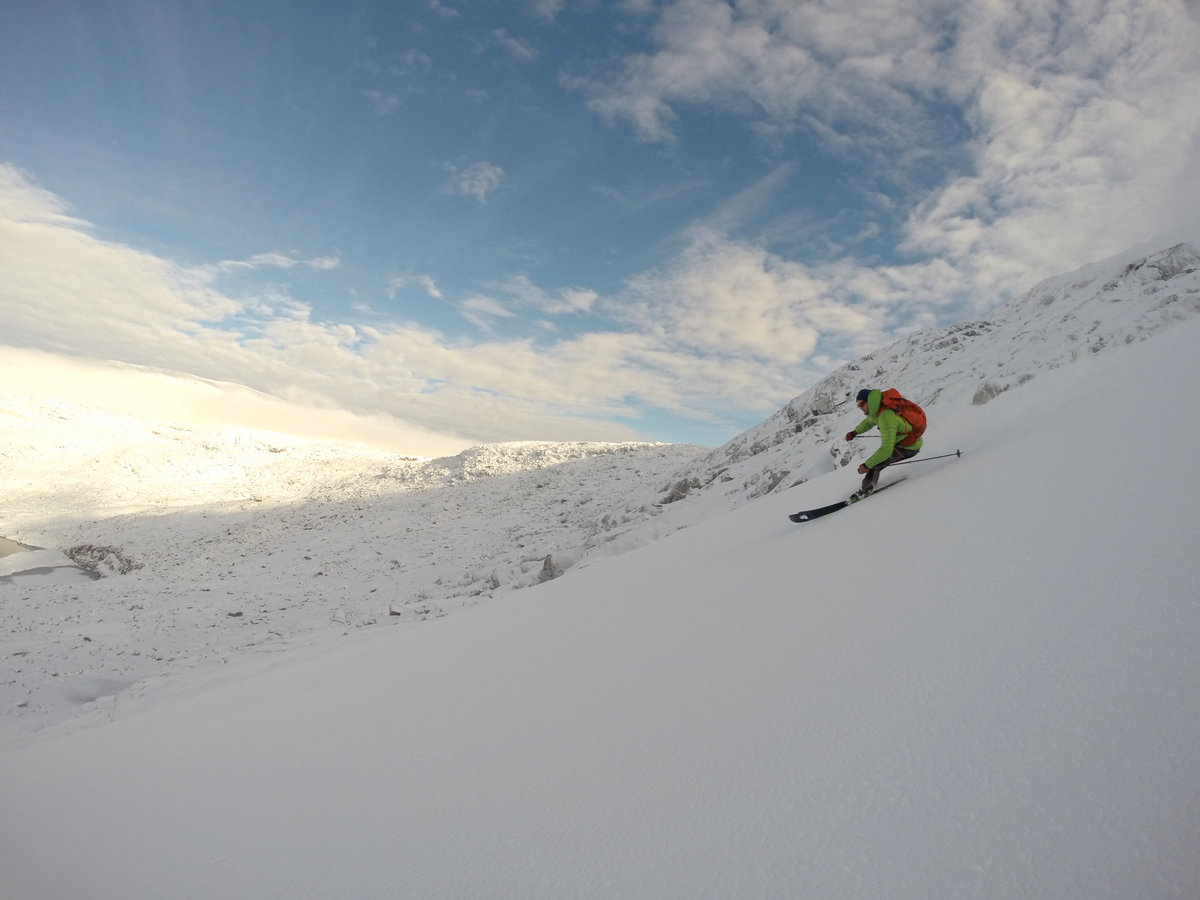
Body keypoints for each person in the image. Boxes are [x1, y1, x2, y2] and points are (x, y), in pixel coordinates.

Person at [844, 388, 922, 496]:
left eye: (861, 404)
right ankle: (868, 486)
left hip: (908, 447)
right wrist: (854, 433)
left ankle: (865, 490)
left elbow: (886, 450)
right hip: (903, 443)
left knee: (875, 464)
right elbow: (868, 422)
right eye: (858, 406)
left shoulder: (886, 416)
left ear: (869, 401)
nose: (860, 408)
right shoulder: (877, 410)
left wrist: (866, 465)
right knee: (876, 462)